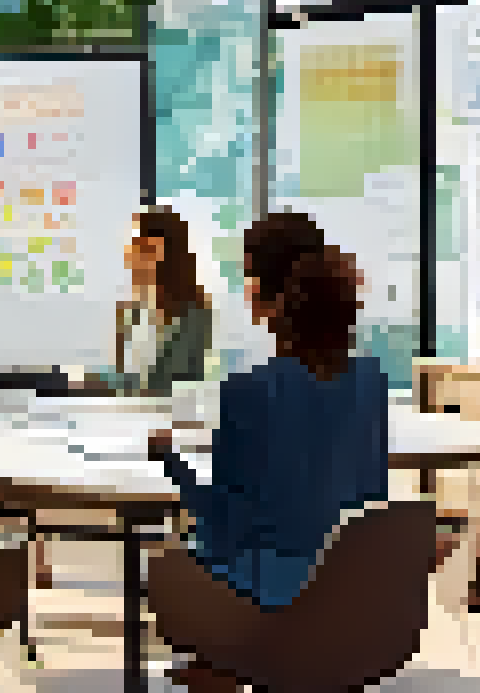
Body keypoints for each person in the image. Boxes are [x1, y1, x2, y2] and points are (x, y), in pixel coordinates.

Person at [148, 211, 387, 616]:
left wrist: (171, 460)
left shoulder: (247, 391)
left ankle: (220, 669)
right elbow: (370, 499)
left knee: (173, 564)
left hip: (262, 598)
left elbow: (222, 527)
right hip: (352, 593)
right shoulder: (371, 379)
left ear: (261, 295)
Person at [102, 205, 214, 397]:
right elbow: (118, 373)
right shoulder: (133, 306)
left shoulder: (193, 312)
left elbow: (175, 382)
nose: (129, 257)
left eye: (139, 247)